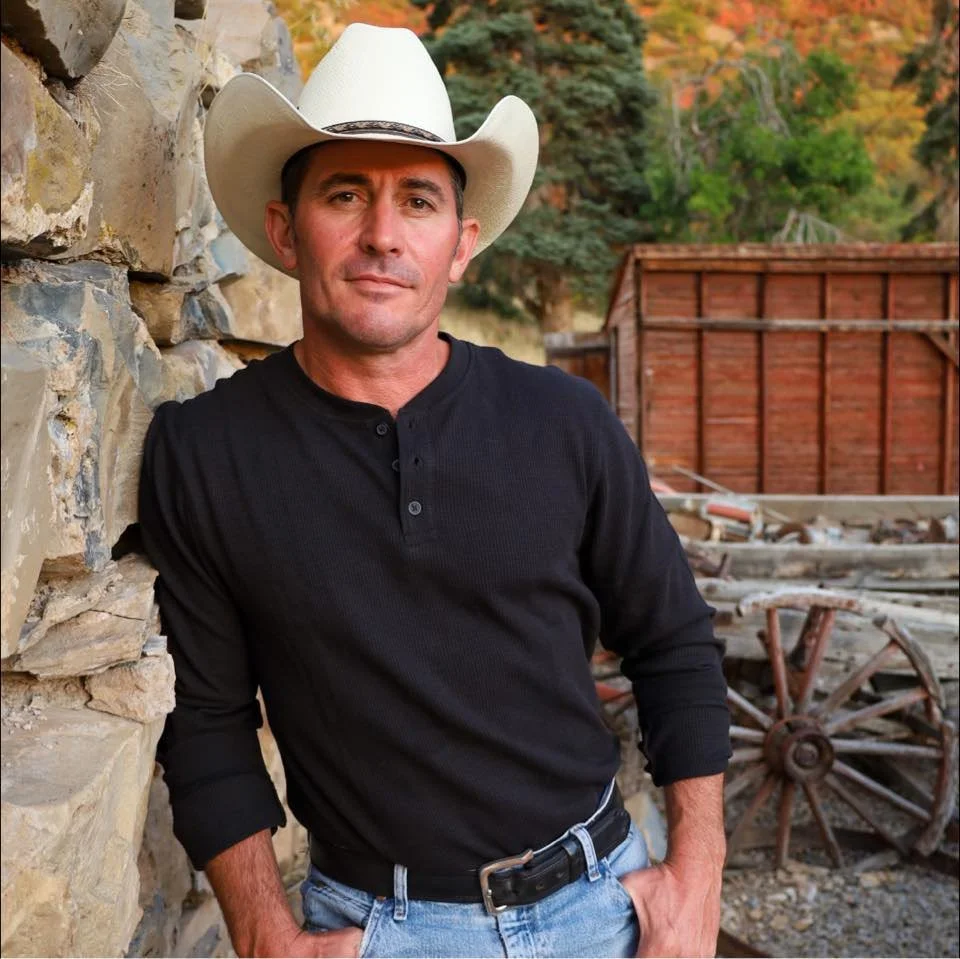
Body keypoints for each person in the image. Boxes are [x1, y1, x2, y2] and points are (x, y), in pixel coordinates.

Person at [138, 23, 731, 959]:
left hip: (602, 906)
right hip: (372, 931)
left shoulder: (565, 422)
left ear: (461, 245)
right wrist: (265, 934)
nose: (382, 235)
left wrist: (696, 877)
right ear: (288, 233)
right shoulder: (206, 451)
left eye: (417, 200)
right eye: (346, 194)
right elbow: (205, 721)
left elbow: (674, 644)